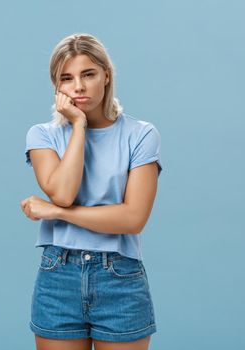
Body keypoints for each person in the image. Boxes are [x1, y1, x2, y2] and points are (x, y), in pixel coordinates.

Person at [20, 33, 163, 350]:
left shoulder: (141, 135)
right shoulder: (43, 135)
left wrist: (56, 214)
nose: (79, 87)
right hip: (59, 275)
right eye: (66, 78)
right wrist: (79, 126)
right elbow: (64, 193)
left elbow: (133, 218)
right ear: (57, 86)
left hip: (119, 277)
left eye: (88, 74)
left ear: (106, 74)